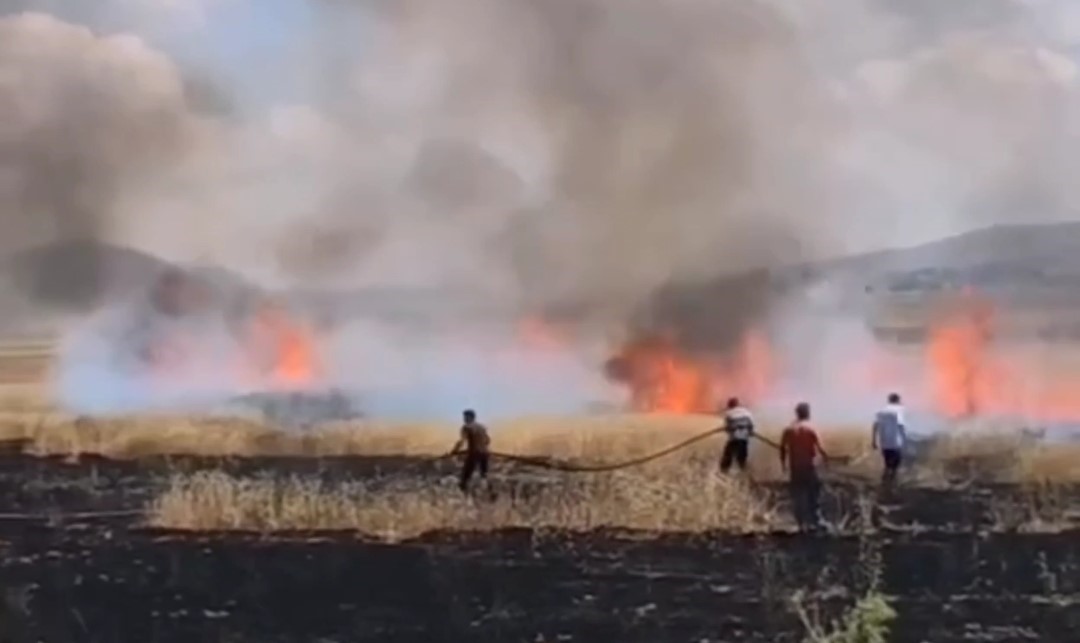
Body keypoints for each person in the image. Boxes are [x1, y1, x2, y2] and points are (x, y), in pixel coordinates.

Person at [780, 402, 830, 533]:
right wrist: (826, 459)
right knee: (813, 493)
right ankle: (815, 520)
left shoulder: (789, 429)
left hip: (795, 467)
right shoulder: (810, 428)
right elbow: (820, 448)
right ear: (807, 413)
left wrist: (783, 465)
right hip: (809, 466)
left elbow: (782, 449)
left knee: (797, 494)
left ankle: (800, 523)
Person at [449, 409, 491, 493]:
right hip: (485, 453)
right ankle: (490, 493)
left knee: (465, 475)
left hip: (474, 454)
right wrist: (482, 446)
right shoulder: (482, 427)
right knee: (484, 475)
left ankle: (464, 494)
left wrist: (454, 451)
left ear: (470, 417)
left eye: (465, 417)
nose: (464, 419)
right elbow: (488, 440)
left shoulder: (466, 427)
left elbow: (461, 441)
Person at [872, 392, 907, 486]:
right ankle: (891, 485)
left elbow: (875, 426)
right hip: (896, 444)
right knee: (895, 467)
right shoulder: (899, 410)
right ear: (897, 400)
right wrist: (905, 441)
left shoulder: (880, 411)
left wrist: (874, 441)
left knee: (887, 466)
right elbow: (901, 426)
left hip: (884, 444)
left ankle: (884, 483)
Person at [719, 397, 755, 473]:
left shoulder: (728, 413)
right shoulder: (747, 412)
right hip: (744, 439)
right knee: (742, 456)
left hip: (734, 439)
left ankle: (724, 471)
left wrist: (729, 429)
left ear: (730, 405)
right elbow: (751, 426)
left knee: (727, 456)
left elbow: (727, 428)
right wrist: (750, 431)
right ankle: (743, 470)